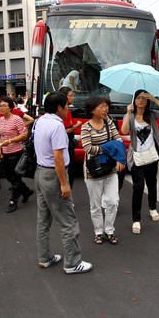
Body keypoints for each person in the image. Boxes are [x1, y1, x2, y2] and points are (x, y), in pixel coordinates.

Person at [33, 91, 92, 274]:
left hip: (40, 172)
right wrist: (64, 183)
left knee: (43, 219)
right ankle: (73, 263)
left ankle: (44, 257)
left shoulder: (40, 121)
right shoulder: (57, 127)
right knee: (68, 220)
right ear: (59, 107)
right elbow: (58, 157)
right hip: (54, 175)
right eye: (66, 105)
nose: (68, 108)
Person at [121, 90, 159, 235]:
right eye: (138, 98)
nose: (141, 101)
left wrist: (155, 100)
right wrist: (127, 113)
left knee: (152, 183)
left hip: (151, 156)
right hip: (137, 157)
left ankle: (152, 207)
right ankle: (136, 219)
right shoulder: (130, 115)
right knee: (138, 187)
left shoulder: (151, 115)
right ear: (134, 100)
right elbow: (124, 131)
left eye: (144, 98)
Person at [81, 96, 125, 245]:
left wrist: (119, 156)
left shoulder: (109, 122)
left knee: (113, 201)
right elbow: (88, 148)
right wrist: (110, 148)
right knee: (95, 205)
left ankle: (109, 230)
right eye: (101, 106)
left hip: (110, 168)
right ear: (92, 109)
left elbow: (118, 140)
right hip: (92, 171)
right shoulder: (85, 127)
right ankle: (98, 232)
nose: (105, 109)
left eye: (106, 106)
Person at [0, 96, 33, 213]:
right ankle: (26, 191)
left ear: (10, 107)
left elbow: (24, 135)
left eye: (4, 105)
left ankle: (13, 201)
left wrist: (11, 141)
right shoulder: (1, 119)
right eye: (0, 105)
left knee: (16, 177)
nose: (1, 108)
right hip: (5, 152)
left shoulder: (16, 119)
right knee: (6, 175)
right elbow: (1, 136)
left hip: (16, 152)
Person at [58, 87, 82, 187]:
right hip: (66, 143)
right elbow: (66, 130)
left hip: (67, 142)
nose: (73, 97)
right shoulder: (65, 111)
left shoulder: (66, 109)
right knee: (69, 169)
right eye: (71, 95)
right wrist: (77, 125)